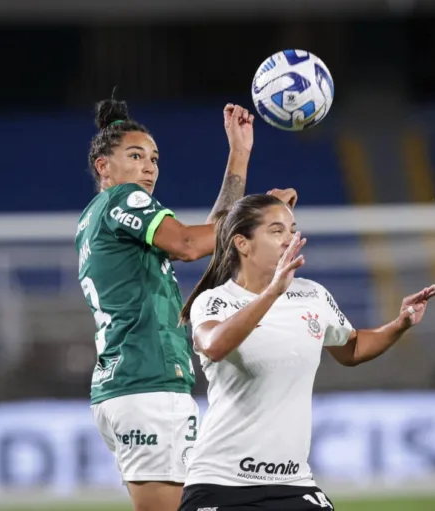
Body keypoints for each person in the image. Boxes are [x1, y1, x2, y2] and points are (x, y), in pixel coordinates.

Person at [75, 93, 297, 511]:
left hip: (130, 388)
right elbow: (192, 244)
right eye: (136, 156)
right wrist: (264, 218)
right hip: (147, 385)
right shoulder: (124, 199)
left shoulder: (94, 219)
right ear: (104, 167)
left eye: (154, 159)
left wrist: (239, 154)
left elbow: (212, 234)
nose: (149, 167)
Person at [177, 194, 435, 511]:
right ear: (242, 244)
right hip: (222, 483)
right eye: (276, 231)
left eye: (292, 229)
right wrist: (272, 292)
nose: (290, 238)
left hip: (293, 482)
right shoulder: (215, 301)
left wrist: (399, 324)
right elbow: (214, 346)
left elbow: (352, 349)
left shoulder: (312, 296)